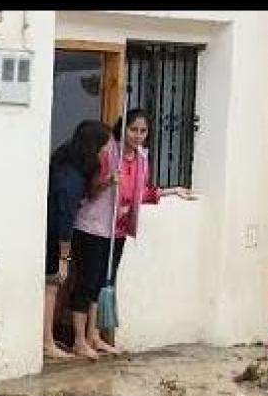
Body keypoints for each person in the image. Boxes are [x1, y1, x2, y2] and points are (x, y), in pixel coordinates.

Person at [69, 108, 196, 360]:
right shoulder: (108, 152)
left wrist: (173, 191)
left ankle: (94, 336)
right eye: (133, 130)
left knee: (103, 283)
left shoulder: (141, 160)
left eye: (143, 131)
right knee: (86, 282)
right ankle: (78, 340)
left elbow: (144, 193)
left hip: (117, 230)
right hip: (93, 227)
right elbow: (90, 190)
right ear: (123, 129)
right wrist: (108, 181)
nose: (138, 136)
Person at [43, 120, 112, 359]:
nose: (106, 153)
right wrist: (65, 256)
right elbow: (64, 217)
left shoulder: (69, 165)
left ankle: (50, 340)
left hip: (55, 232)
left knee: (54, 286)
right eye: (104, 148)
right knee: (51, 286)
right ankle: (47, 342)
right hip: (54, 234)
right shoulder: (70, 177)